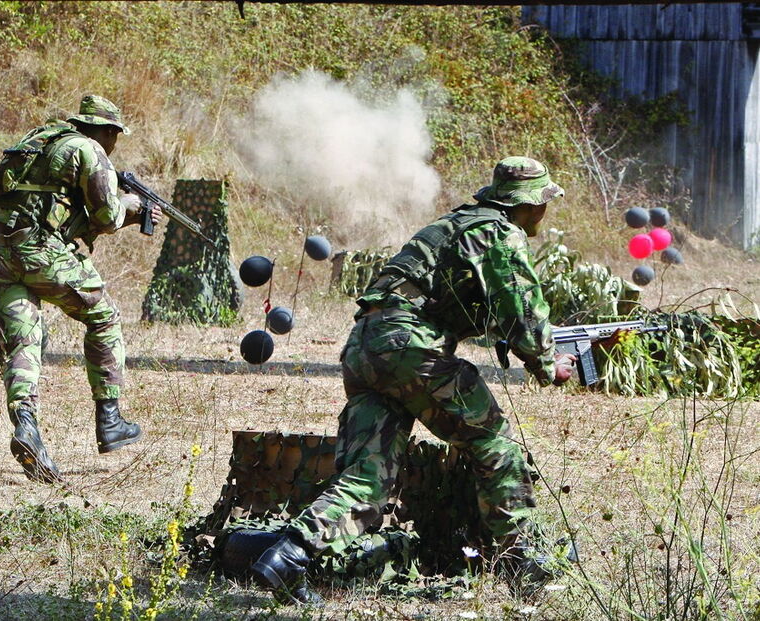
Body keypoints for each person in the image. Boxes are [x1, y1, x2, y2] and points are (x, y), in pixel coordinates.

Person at [242, 157, 576, 603]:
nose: (544, 212)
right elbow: (522, 307)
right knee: (495, 441)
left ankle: (287, 557)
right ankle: (521, 561)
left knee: (367, 476)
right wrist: (548, 363)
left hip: (365, 346)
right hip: (410, 347)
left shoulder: (456, 224)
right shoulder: (499, 232)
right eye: (544, 202)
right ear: (531, 204)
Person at [0, 95, 161, 484]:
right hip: (41, 254)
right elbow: (107, 216)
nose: (114, 143)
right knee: (104, 318)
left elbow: (56, 210)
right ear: (108, 130)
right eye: (115, 135)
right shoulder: (89, 149)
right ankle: (110, 420)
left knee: (24, 344)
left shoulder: (38, 141)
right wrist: (131, 205)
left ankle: (26, 426)